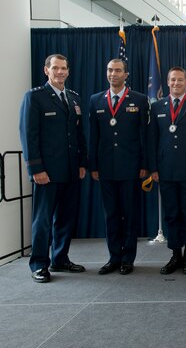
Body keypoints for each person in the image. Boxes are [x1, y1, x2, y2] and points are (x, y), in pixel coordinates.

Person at [19, 54, 87, 283]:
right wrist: (35, 169)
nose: (60, 72)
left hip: (70, 170)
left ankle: (60, 258)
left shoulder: (74, 98)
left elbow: (79, 136)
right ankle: (39, 264)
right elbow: (29, 136)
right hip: (46, 172)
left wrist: (81, 164)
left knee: (66, 218)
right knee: (43, 220)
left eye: (64, 68)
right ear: (46, 70)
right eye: (55, 68)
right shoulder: (35, 97)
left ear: (68, 71)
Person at [89, 58, 149, 275]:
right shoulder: (96, 100)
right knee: (111, 214)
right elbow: (93, 136)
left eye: (118, 71)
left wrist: (145, 163)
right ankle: (114, 257)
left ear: (126, 74)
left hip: (131, 167)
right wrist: (93, 164)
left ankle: (128, 258)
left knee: (130, 214)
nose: (113, 74)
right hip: (105, 168)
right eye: (110, 70)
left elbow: (145, 135)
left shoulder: (139, 100)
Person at [148, 67, 186, 275]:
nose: (176, 83)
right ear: (167, 82)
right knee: (171, 214)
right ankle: (175, 254)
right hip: (165, 170)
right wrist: (154, 168)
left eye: (180, 80)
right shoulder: (157, 107)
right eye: (173, 80)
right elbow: (153, 140)